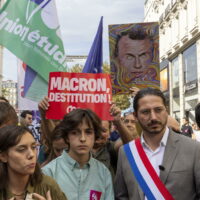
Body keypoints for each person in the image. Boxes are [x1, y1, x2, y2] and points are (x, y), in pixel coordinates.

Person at [115, 88, 200, 200]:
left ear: (167, 111)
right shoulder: (126, 152)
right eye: (145, 112)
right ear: (135, 116)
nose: (153, 117)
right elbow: (121, 196)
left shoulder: (193, 149)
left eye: (158, 110)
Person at [42, 109, 114, 200]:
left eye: (88, 132)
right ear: (67, 137)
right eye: (75, 133)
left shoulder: (103, 173)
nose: (82, 139)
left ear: (95, 136)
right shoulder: (49, 172)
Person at [0, 125, 67, 200]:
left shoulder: (48, 186)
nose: (31, 154)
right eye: (21, 149)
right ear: (3, 156)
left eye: (33, 147)